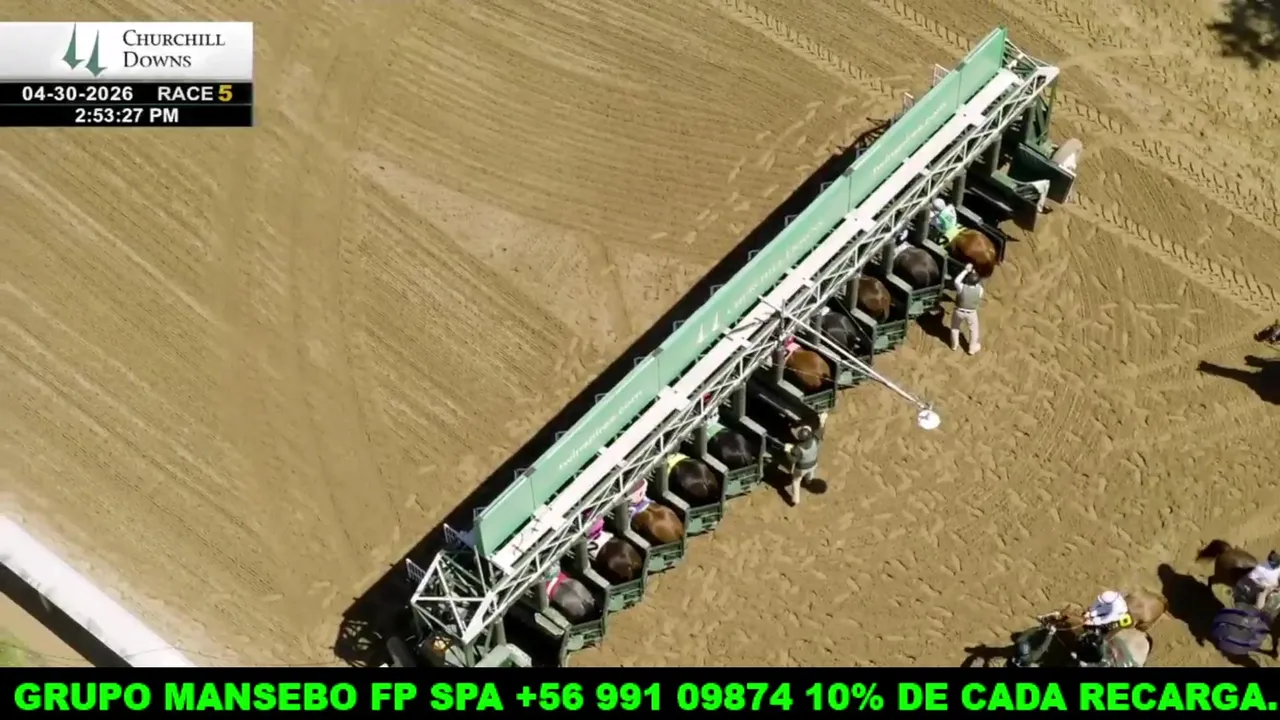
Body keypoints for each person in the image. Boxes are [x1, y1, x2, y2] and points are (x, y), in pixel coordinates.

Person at [1077, 590, 1133, 664]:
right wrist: (1090, 612)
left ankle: (1097, 655)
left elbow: (1105, 619)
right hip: (1109, 609)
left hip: (1116, 618)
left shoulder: (1117, 609)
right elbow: (1100, 606)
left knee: (1098, 634)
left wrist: (1092, 622)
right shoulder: (1108, 597)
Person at [782, 425, 820, 507]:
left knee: (796, 481)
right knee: (810, 472)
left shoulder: (798, 449)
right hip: (814, 463)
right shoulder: (814, 440)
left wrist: (787, 451)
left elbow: (792, 460)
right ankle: (809, 481)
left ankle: (796, 499)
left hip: (802, 469)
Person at [950, 263, 984, 355]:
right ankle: (972, 349)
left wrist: (966, 270)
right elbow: (978, 284)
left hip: (959, 311)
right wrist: (974, 273)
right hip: (971, 313)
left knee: (955, 328)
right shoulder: (980, 290)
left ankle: (954, 345)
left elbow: (957, 280)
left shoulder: (961, 287)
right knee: (973, 330)